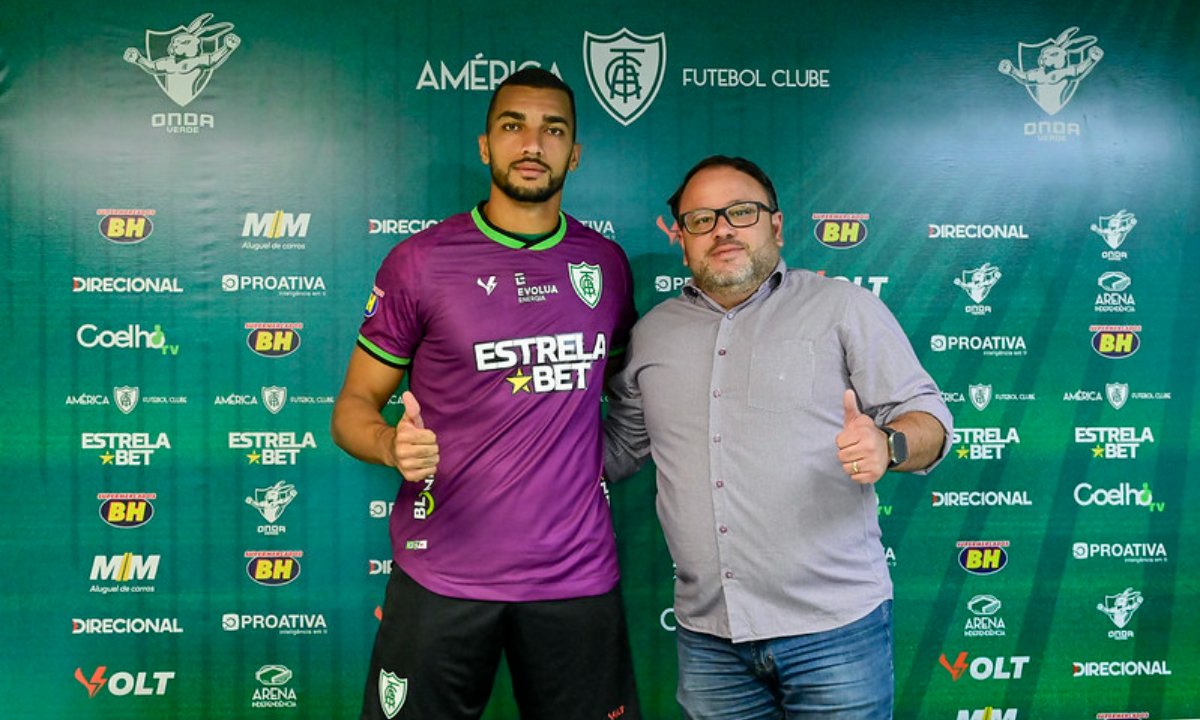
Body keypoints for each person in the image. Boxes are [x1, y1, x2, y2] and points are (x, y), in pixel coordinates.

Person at [331, 68, 640, 720]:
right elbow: (352, 408)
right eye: (513, 126)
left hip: (575, 577)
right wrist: (391, 445)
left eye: (553, 129)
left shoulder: (606, 266)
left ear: (574, 152)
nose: (533, 144)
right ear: (485, 145)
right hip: (441, 573)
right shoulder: (420, 262)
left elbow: (630, 393)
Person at [604, 155, 953, 719]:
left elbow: (929, 419)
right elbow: (616, 449)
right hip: (709, 639)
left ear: (776, 225)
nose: (722, 229)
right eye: (700, 219)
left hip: (833, 633)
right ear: (682, 241)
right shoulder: (652, 336)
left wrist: (888, 445)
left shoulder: (842, 307)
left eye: (741, 212)